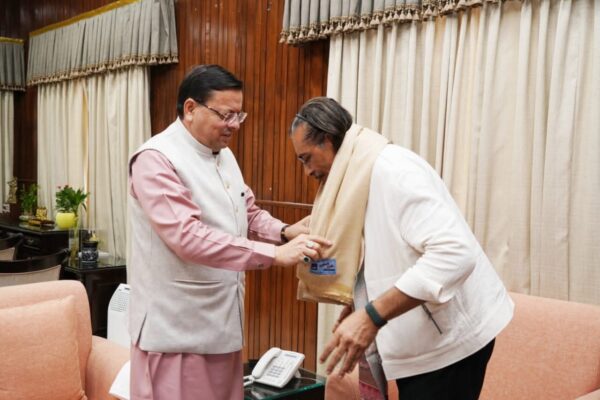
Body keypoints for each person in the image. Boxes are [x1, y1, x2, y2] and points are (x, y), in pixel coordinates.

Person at [127, 65, 331, 400]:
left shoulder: (224, 155)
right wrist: (274, 254)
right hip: (175, 332)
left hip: (222, 325)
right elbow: (187, 236)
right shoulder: (156, 159)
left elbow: (246, 210)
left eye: (239, 115)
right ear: (190, 108)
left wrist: (284, 231)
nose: (234, 125)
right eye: (226, 115)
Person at [289, 97, 514, 400]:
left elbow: (455, 254)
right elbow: (388, 253)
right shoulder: (358, 174)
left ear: (328, 140)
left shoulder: (393, 171)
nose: (307, 171)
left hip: (450, 346)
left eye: (306, 158)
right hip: (423, 341)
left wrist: (372, 315)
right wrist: (360, 303)